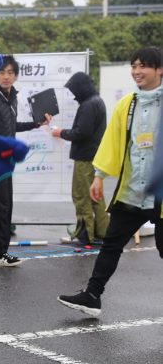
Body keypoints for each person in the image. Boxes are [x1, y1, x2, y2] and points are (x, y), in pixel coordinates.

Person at [58, 46, 163, 316]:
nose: (137, 71)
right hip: (131, 192)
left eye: (144, 66)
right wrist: (99, 176)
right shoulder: (127, 104)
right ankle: (92, 296)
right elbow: (112, 143)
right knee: (112, 244)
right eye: (134, 65)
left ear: (159, 70)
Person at [0, 54, 51, 267]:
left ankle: (0, 251)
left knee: (6, 207)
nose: (6, 76)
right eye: (2, 72)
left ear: (15, 75)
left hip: (7, 162)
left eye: (10, 72)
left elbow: (10, 125)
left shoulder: (11, 98)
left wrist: (36, 124)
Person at [52, 72, 109, 245]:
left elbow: (81, 133)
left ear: (81, 88)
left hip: (85, 158)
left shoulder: (88, 105)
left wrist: (60, 132)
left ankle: (85, 235)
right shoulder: (98, 101)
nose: (74, 94)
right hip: (96, 157)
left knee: (82, 195)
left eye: (74, 90)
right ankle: (102, 232)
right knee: (96, 196)